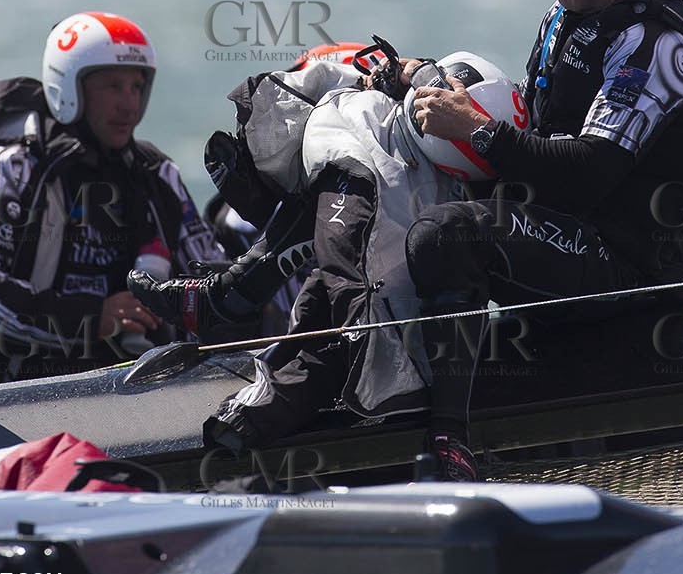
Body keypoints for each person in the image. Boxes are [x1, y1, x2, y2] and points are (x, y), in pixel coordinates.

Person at [402, 0, 683, 480]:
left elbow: (586, 174)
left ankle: (448, 442)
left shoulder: (652, 43)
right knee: (405, 189)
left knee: (446, 236)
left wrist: (475, 131)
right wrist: (421, 82)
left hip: (628, 268)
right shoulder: (566, 17)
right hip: (564, 229)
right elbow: (535, 125)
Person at [137, 50, 526, 453]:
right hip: (370, 302)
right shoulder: (384, 144)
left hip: (396, 340)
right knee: (332, 301)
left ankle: (231, 308)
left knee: (352, 311)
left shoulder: (371, 139)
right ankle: (230, 306)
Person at [0, 11, 226, 389]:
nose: (129, 104)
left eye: (136, 87)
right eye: (112, 86)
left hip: (136, 399)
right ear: (68, 89)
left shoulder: (155, 173)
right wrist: (91, 321)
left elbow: (213, 284)